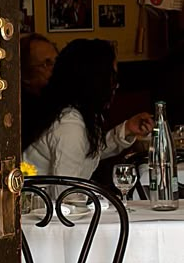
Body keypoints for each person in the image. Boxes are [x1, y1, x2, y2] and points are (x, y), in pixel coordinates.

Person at [22, 39, 154, 179]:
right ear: (96, 82)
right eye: (112, 78)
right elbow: (66, 195)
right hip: (35, 200)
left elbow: (85, 152)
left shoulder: (72, 113)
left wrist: (127, 129)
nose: (115, 86)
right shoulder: (69, 126)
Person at [20, 33, 58, 150]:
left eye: (57, 61)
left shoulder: (60, 100)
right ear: (25, 75)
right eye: (47, 64)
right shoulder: (21, 113)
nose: (56, 69)